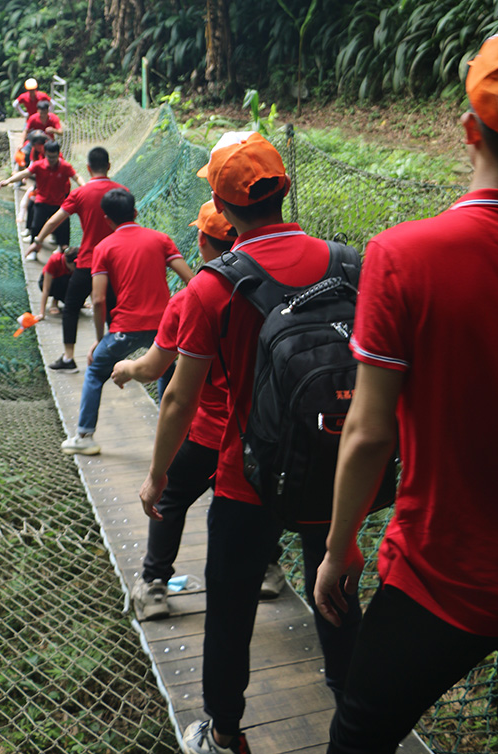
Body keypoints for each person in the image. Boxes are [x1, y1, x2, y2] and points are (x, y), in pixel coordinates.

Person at [139, 132, 362, 754]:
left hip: (248, 474)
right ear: (283, 187)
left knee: (231, 608)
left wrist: (159, 476)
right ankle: (356, 717)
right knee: (337, 583)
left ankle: (226, 733)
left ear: (220, 203)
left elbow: (180, 398)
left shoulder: (215, 286)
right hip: (336, 457)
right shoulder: (346, 262)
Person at [313, 35, 498, 754]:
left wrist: (338, 550)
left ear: (467, 129)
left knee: (361, 733)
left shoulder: (405, 256)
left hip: (439, 570)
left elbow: (368, 431)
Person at [112, 201, 285, 621]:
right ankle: (268, 568)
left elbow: (158, 372)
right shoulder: (280, 286)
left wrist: (126, 369)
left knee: (169, 498)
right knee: (263, 498)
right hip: (266, 434)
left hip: (210, 434)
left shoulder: (195, 296)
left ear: (204, 242)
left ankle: (154, 585)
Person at [61, 187, 194, 455]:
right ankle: (173, 435)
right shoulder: (160, 239)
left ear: (107, 219)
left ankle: (85, 436)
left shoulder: (103, 248)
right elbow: (192, 282)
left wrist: (100, 341)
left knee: (96, 373)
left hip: (125, 328)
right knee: (166, 372)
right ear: (135, 212)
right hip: (164, 327)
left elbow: (98, 299)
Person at [30, 147, 125, 372]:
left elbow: (54, 221)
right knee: (113, 310)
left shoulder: (80, 193)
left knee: (71, 307)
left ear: (89, 168)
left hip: (88, 262)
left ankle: (68, 358)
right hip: (114, 263)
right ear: (109, 166)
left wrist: (39, 240)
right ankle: (113, 359)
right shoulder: (122, 192)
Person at [0, 140, 82, 251]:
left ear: (58, 154)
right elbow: (24, 173)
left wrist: (85, 186)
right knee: (36, 226)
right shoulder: (39, 165)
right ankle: (34, 250)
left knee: (63, 228)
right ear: (45, 154)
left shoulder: (65, 166)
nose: (52, 160)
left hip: (59, 203)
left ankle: (62, 251)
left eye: (54, 157)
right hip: (42, 201)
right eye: (49, 157)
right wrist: (8, 181)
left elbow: (76, 177)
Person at [36, 247, 79, 320]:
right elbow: (46, 289)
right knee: (63, 280)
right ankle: (54, 302)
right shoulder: (55, 260)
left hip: (66, 283)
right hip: (52, 283)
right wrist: (42, 313)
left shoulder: (75, 266)